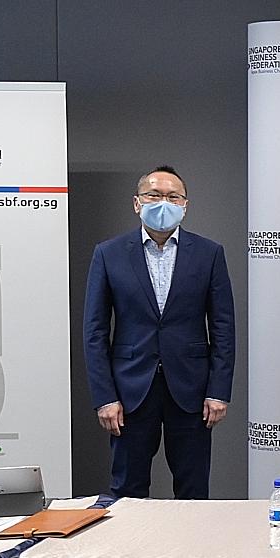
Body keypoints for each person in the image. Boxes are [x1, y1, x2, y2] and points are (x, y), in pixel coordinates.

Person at [83, 165, 235, 499]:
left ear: (185, 205)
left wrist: (219, 390)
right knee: (127, 490)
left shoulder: (209, 253)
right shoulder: (108, 254)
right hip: (129, 392)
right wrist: (104, 397)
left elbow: (223, 327)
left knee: (193, 491)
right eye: (154, 195)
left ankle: (191, 551)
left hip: (192, 391)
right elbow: (94, 332)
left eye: (172, 196)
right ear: (137, 203)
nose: (163, 202)